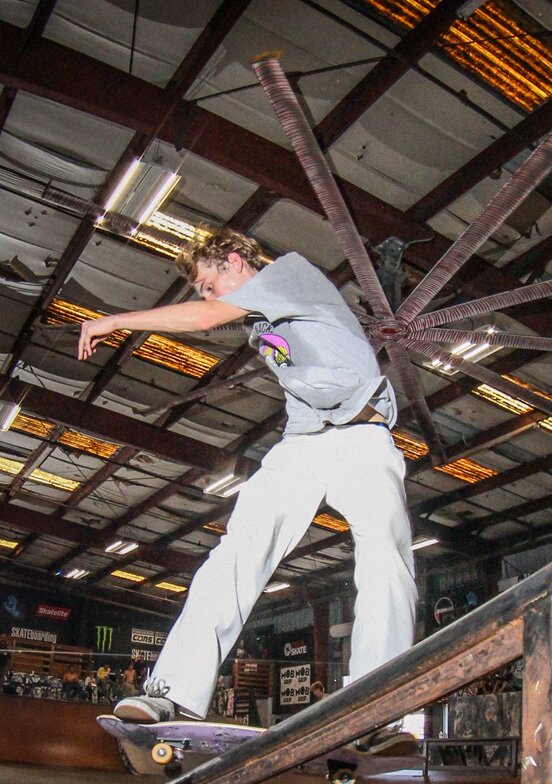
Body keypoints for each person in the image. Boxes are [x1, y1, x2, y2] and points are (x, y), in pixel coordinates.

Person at [77, 229, 417, 753]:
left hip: (363, 439)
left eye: (211, 283)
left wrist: (117, 320)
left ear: (236, 261)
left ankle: (380, 695)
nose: (210, 296)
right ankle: (173, 691)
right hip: (302, 443)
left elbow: (202, 317)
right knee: (236, 552)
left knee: (384, 553)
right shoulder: (259, 325)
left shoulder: (290, 271)